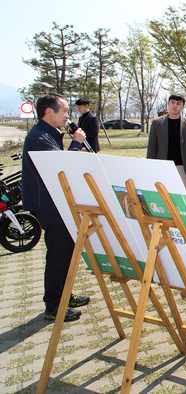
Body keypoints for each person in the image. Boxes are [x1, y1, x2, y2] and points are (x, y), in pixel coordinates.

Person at [22, 93, 91, 321]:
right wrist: (75, 144)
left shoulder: (48, 134)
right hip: (49, 205)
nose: (67, 116)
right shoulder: (40, 138)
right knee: (58, 254)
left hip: (56, 202)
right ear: (48, 112)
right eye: (63, 111)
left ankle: (65, 294)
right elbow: (59, 169)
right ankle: (53, 305)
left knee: (66, 252)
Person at [147, 94, 186, 196]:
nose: (175, 106)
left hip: (184, 166)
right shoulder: (157, 123)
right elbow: (152, 146)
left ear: (183, 106)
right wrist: (150, 166)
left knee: (184, 195)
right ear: (168, 104)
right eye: (173, 103)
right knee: (164, 195)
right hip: (162, 165)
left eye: (178, 104)